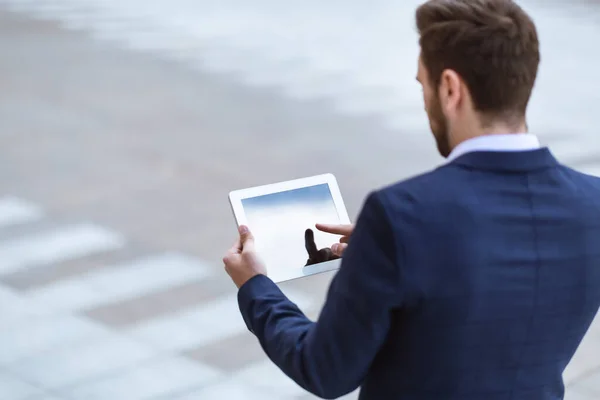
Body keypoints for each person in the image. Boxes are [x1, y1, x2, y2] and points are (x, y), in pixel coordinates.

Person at [222, 0, 600, 398]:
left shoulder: (399, 215)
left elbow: (325, 370)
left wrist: (256, 286)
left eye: (423, 85)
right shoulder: (593, 203)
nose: (424, 102)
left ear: (450, 89)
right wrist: (385, 253)